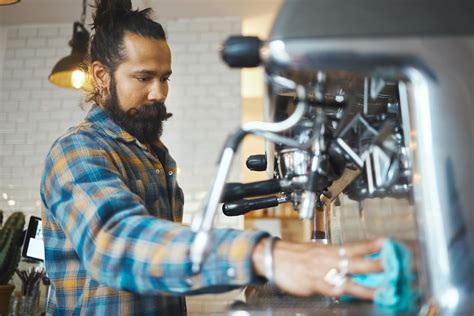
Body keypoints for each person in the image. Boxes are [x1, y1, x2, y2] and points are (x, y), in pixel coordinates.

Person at [40, 0, 385, 314]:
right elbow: (116, 242)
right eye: (143, 77)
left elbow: (162, 261)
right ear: (102, 76)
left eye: (165, 78)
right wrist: (266, 256)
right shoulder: (78, 150)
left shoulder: (155, 156)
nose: (159, 93)